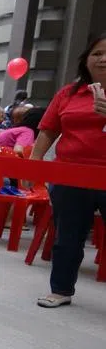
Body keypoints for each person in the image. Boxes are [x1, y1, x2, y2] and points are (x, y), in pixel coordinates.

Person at [32, 32, 106, 309]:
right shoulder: (69, 93)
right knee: (67, 236)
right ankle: (61, 289)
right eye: (97, 53)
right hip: (70, 175)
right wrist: (34, 162)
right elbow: (48, 130)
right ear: (86, 60)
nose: (103, 58)